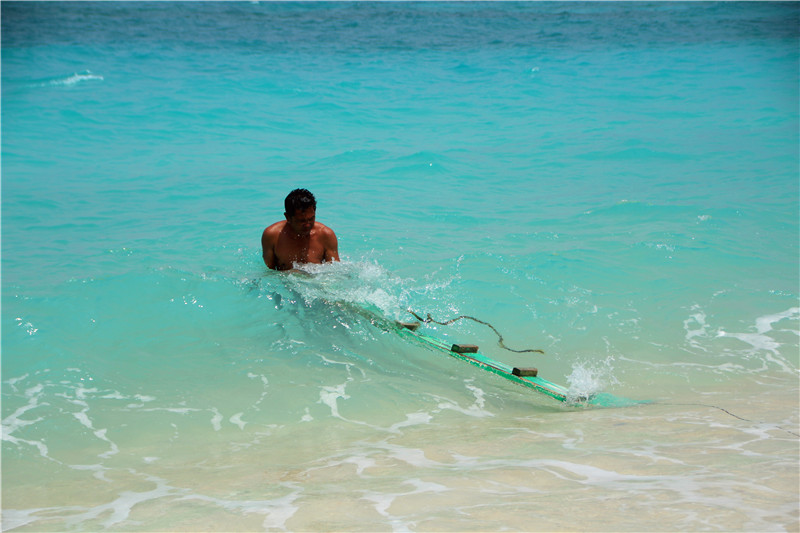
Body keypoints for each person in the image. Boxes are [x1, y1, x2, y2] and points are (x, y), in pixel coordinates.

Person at [261, 189, 340, 271]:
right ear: (288, 217)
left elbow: (334, 271)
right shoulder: (272, 235)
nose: (308, 225)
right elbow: (269, 271)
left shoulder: (326, 235)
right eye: (302, 221)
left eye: (311, 218)